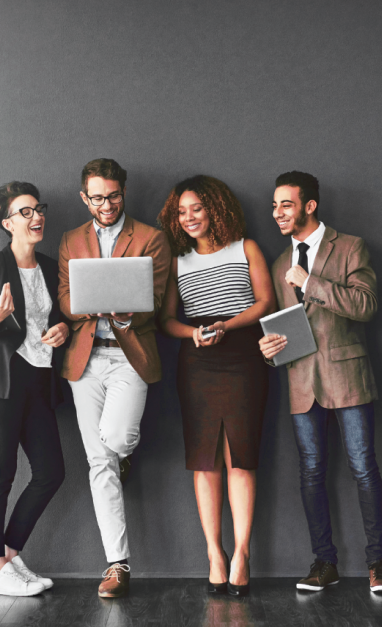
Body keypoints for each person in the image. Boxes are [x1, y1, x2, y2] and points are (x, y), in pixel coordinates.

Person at [258, 171, 382, 593]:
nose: (277, 212)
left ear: (309, 205)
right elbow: (288, 327)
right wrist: (270, 350)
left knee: (363, 468)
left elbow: (367, 305)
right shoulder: (280, 262)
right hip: (302, 381)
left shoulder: (350, 247)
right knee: (311, 472)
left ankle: (380, 564)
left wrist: (311, 283)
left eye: (286, 204)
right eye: (274, 205)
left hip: (348, 376)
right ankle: (324, 562)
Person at [156, 175, 275, 596]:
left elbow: (265, 303)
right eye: (181, 211)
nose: (189, 218)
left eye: (197, 209)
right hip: (198, 360)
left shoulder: (247, 248)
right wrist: (194, 334)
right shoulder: (177, 259)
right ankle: (214, 554)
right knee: (204, 460)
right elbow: (167, 319)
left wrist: (226, 324)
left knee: (239, 457)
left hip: (244, 356)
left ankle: (242, 553)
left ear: (216, 209)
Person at [57, 158, 170, 598]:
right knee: (98, 464)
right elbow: (66, 300)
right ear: (85, 197)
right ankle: (117, 565)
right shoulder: (70, 239)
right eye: (98, 197)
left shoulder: (151, 237)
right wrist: (93, 304)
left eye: (114, 195)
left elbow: (157, 300)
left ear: (124, 192)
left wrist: (126, 311)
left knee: (116, 440)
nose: (107, 204)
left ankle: (122, 455)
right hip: (84, 361)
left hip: (129, 355)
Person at [0, 182, 69, 596]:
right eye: (25, 212)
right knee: (0, 473)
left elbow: (60, 318)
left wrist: (62, 328)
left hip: (40, 380)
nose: (37, 216)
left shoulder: (50, 266)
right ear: (8, 223)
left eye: (38, 209)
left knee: (51, 472)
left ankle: (7, 555)